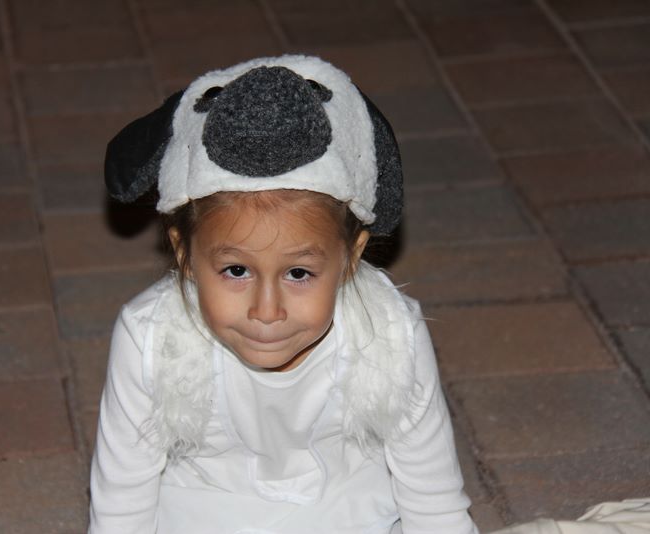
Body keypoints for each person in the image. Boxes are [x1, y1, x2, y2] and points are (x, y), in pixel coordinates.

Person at [88, 55, 479, 534]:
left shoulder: (391, 335)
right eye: (236, 270)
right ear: (185, 255)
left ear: (351, 257)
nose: (267, 311)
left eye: (298, 273)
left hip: (351, 519)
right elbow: (122, 495)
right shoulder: (150, 339)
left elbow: (432, 494)